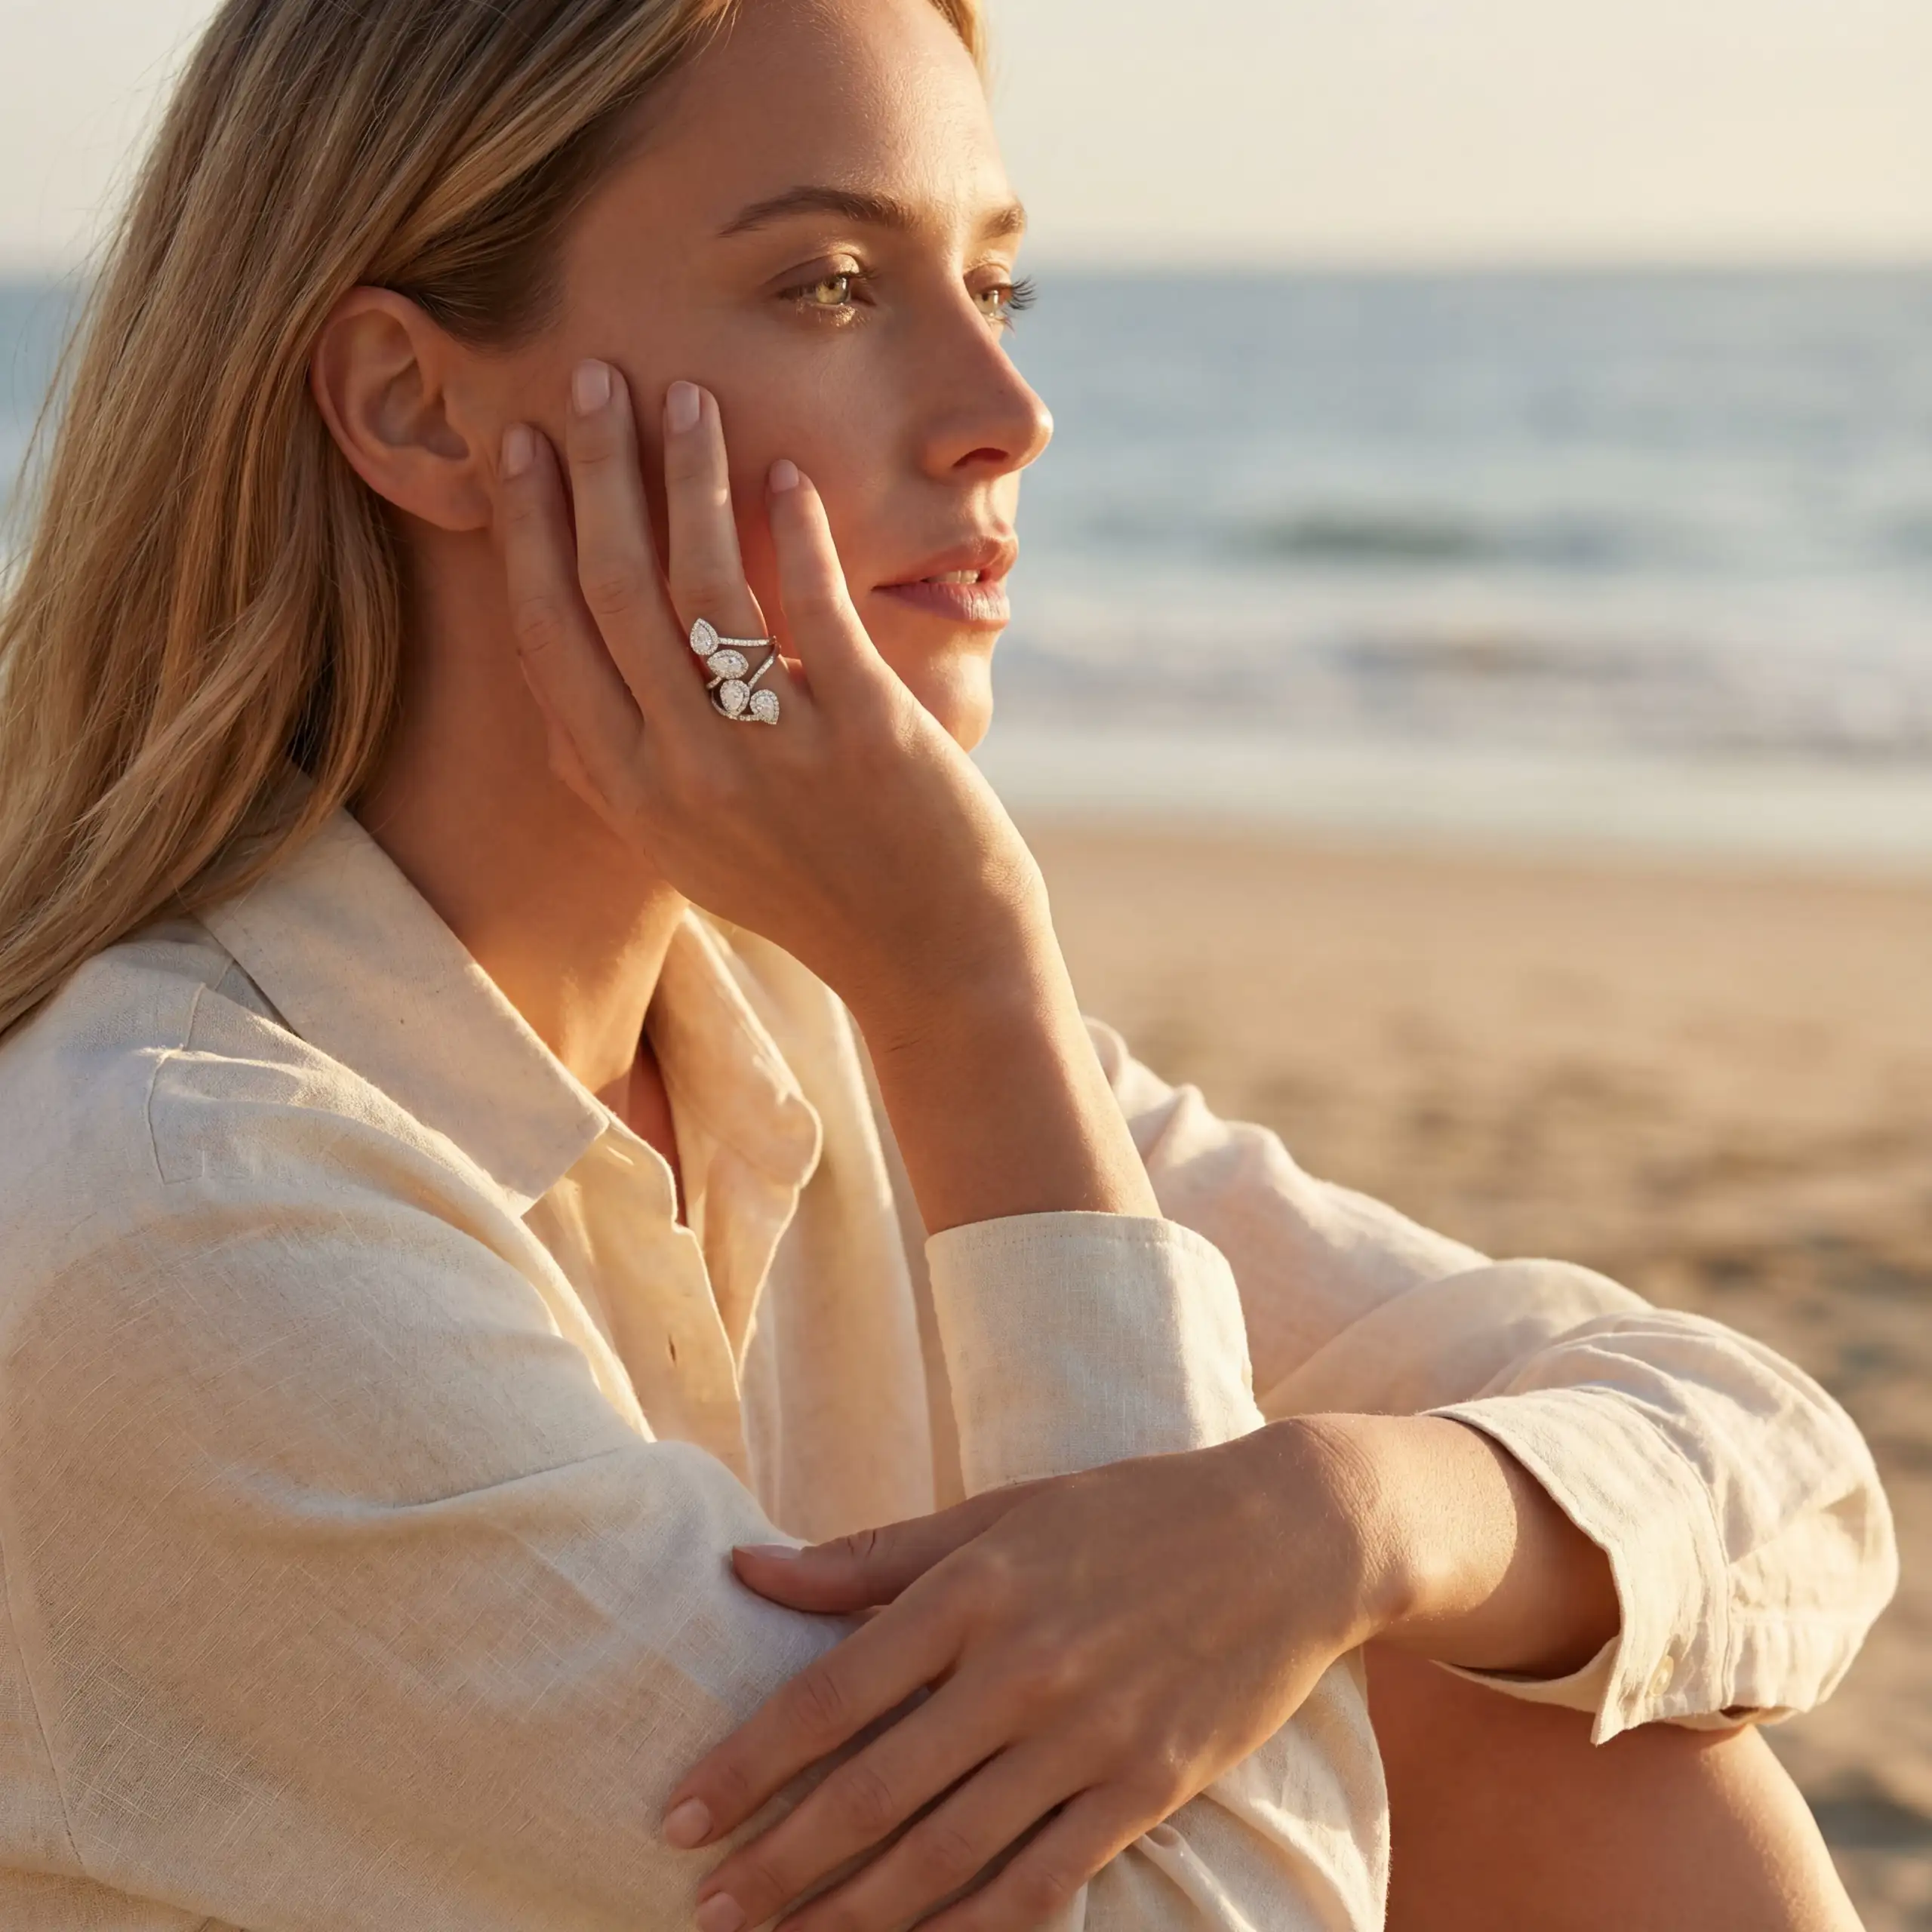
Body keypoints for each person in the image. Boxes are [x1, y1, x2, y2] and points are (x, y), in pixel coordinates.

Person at [0, 0, 1893, 1925]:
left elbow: (1787, 1492)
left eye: (998, 280)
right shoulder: (184, 1210)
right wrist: (974, 977)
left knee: (1564, 1703)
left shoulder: (799, 1021)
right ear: (414, 407)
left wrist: (1341, 1521)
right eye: (828, 282)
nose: (1005, 405)